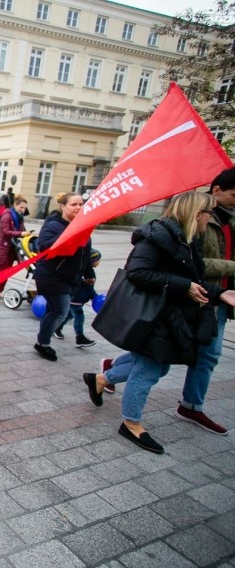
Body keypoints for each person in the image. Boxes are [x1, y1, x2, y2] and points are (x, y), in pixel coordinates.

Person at [82, 191, 235, 453]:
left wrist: (219, 292)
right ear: (197, 214)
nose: (211, 220)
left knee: (156, 366)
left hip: (168, 314)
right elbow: (138, 273)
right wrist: (184, 285)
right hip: (153, 315)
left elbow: (191, 276)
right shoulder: (157, 236)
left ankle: (101, 379)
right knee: (148, 370)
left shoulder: (187, 239)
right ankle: (130, 423)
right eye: (209, 214)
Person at [177, 168, 235, 434]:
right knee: (158, 354)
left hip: (220, 299)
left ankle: (192, 405)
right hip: (195, 297)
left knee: (209, 354)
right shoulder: (196, 217)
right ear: (216, 191)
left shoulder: (230, 220)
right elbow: (193, 263)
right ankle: (109, 373)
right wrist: (231, 267)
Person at [32, 192, 90, 361]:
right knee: (60, 311)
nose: (78, 207)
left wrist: (88, 273)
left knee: (53, 310)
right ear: (63, 206)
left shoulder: (84, 225)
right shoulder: (53, 225)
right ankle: (42, 343)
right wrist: (69, 235)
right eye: (74, 204)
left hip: (71, 278)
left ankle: (42, 340)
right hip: (51, 276)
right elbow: (42, 246)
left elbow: (84, 253)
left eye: (81, 204)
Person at [0, 195, 33, 295]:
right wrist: (21, 234)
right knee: (4, 270)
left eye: (25, 208)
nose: (23, 210)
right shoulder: (7, 215)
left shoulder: (20, 217)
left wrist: (26, 234)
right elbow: (5, 231)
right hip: (3, 246)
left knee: (7, 270)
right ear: (15, 205)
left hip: (12, 246)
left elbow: (21, 229)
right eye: (21, 207)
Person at [54, 249, 100, 347]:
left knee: (68, 315)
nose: (99, 262)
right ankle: (80, 338)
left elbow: (90, 288)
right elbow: (84, 287)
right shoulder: (83, 273)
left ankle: (56, 328)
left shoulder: (89, 271)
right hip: (75, 299)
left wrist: (94, 296)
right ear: (92, 260)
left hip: (77, 299)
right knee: (79, 317)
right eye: (98, 260)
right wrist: (93, 295)